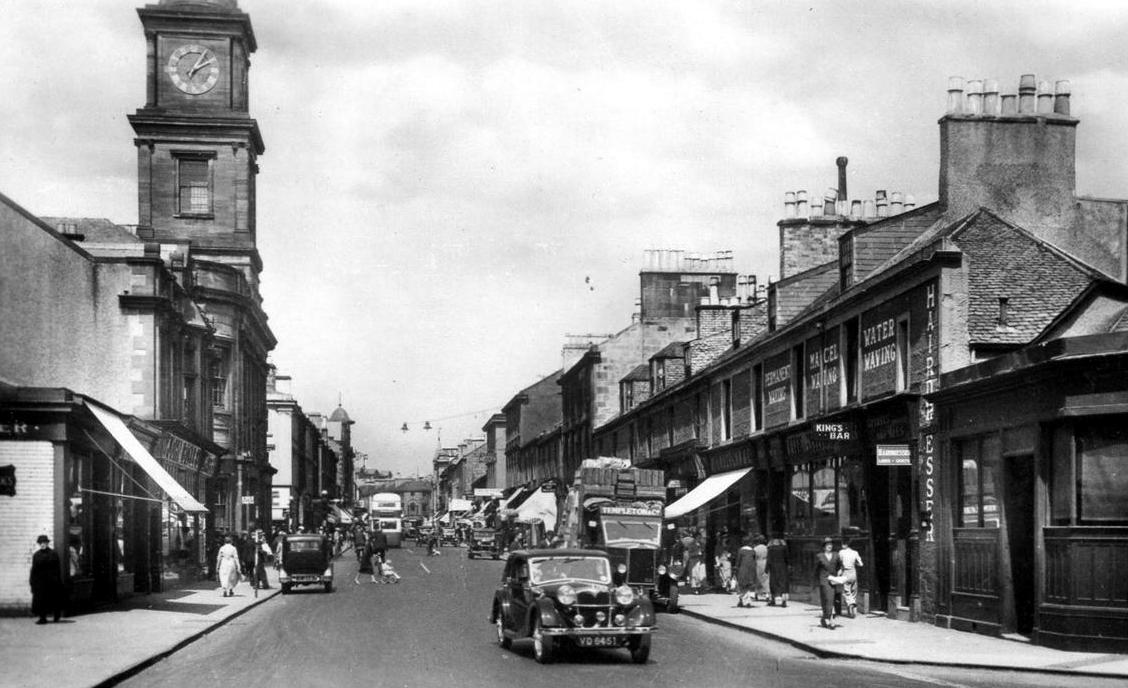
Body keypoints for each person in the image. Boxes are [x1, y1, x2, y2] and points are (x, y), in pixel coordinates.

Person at [29, 535, 64, 624]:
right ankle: (42, 617)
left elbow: (57, 568)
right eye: (41, 543)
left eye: (44, 543)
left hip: (51, 581)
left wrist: (57, 580)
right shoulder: (36, 555)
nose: (42, 545)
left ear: (47, 543)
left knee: (53, 598)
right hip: (40, 581)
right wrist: (32, 581)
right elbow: (34, 569)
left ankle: (56, 615)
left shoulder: (53, 553)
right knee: (41, 599)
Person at [814, 537, 841, 629]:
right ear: (823, 547)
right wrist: (815, 582)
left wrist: (839, 575)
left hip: (834, 580)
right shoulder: (819, 556)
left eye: (831, 544)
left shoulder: (836, 555)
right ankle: (830, 621)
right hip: (824, 580)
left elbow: (840, 567)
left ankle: (825, 618)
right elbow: (816, 570)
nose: (829, 546)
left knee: (831, 600)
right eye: (827, 544)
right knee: (828, 599)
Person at [838, 538, 864, 618]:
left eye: (842, 544)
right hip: (853, 572)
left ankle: (851, 604)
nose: (842, 545)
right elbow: (861, 564)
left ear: (845, 545)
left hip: (845, 572)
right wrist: (854, 563)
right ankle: (853, 612)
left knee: (846, 592)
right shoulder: (855, 552)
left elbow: (839, 563)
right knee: (853, 591)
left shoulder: (841, 552)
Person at [766, 533, 790, 607]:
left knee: (773, 583)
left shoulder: (771, 548)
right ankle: (784, 601)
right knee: (783, 584)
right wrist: (788, 565)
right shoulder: (784, 547)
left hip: (773, 568)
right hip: (783, 567)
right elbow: (787, 558)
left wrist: (766, 568)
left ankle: (773, 600)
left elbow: (769, 559)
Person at [734, 535, 757, 607]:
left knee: (742, 585)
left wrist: (735, 569)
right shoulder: (753, 551)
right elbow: (754, 561)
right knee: (750, 585)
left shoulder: (741, 551)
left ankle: (741, 600)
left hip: (743, 569)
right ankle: (748, 601)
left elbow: (738, 561)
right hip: (751, 570)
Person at [753, 534, 769, 601]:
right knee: (766, 578)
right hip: (765, 562)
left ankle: (756, 593)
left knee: (757, 578)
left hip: (758, 563)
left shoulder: (755, 548)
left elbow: (754, 557)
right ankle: (767, 594)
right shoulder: (767, 548)